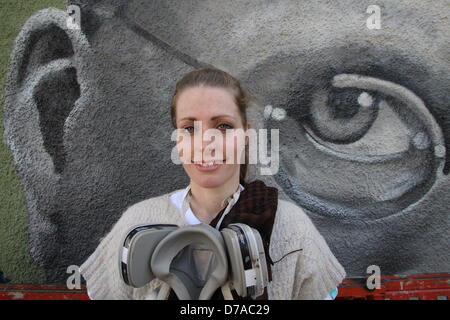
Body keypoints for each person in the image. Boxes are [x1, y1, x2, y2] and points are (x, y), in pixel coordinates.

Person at [79, 67, 346, 300]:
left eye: (223, 126)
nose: (206, 142)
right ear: (178, 140)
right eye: (190, 128)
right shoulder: (136, 223)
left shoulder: (292, 229)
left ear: (246, 135)